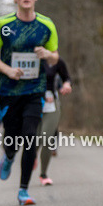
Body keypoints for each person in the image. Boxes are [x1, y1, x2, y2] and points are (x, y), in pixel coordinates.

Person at [0, 0, 59, 206]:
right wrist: (8, 70)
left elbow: (55, 56)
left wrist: (47, 55)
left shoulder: (46, 24)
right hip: (9, 90)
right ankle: (8, 157)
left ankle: (23, 191)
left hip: (34, 89)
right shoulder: (3, 25)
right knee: (13, 137)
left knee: (30, 137)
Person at [38, 57, 72, 186]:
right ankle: (31, 159)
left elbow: (66, 77)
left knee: (47, 137)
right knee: (33, 141)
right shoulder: (28, 56)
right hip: (32, 102)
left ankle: (43, 174)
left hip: (51, 102)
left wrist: (66, 84)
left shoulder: (56, 60)